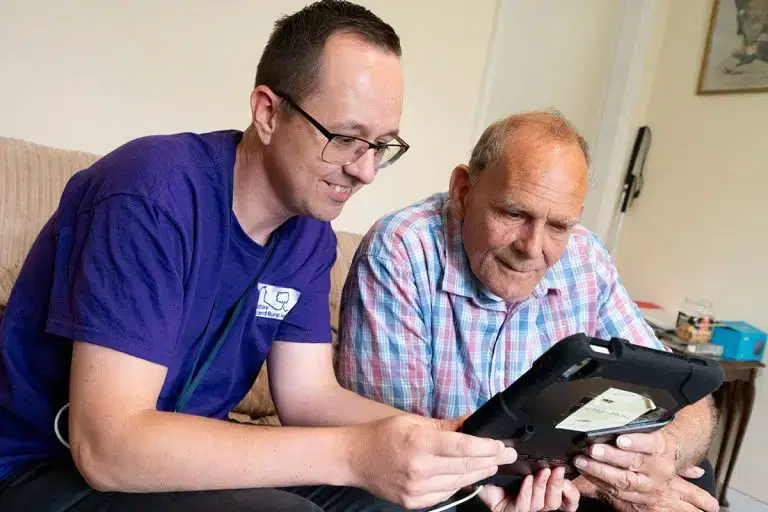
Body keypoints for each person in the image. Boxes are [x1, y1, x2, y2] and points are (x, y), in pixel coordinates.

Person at [0, 2, 543, 511]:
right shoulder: (149, 195)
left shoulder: (308, 234)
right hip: (42, 471)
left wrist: (453, 444)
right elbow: (108, 448)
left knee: (397, 503)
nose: (366, 171)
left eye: (381, 145)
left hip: (175, 470)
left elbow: (307, 397)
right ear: (267, 112)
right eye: (346, 138)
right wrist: (357, 455)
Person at [337, 111, 721, 512]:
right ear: (463, 191)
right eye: (514, 214)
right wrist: (606, 481)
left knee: (693, 474)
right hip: (454, 484)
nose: (532, 247)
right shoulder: (402, 250)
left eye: (558, 225)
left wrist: (664, 457)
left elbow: (684, 395)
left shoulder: (586, 256)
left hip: (557, 471)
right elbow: (403, 446)